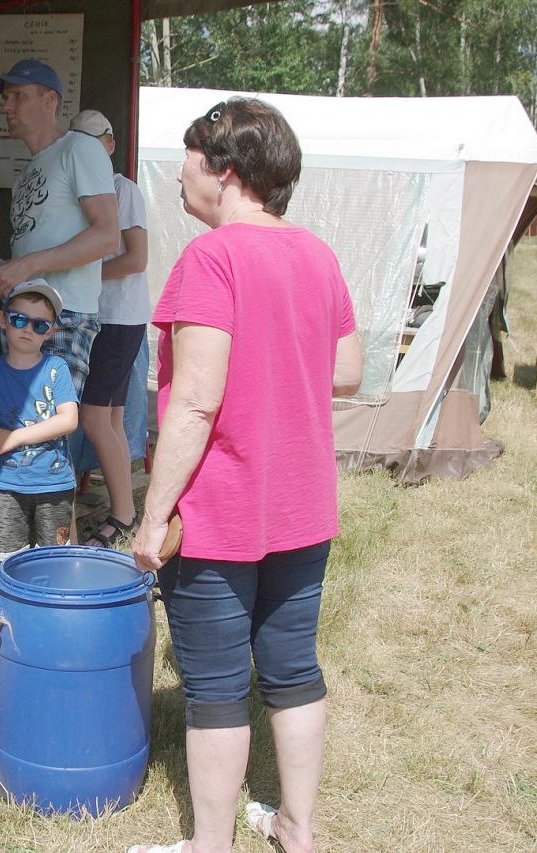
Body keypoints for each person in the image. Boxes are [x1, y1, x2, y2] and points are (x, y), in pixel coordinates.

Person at [127, 98, 362, 853]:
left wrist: (152, 516)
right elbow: (349, 370)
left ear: (225, 171)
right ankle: (297, 828)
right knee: (293, 670)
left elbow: (194, 403)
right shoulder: (318, 254)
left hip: (220, 513)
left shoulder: (211, 258)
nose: (180, 176)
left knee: (218, 688)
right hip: (303, 505)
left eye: (189, 160)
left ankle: (210, 845)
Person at [0, 59, 119, 398]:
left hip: (62, 315)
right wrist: (1, 278)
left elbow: (107, 236)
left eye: (19, 96)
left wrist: (25, 267)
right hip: (21, 312)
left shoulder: (80, 147)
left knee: (46, 423)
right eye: (5, 98)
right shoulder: (26, 173)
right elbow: (37, 248)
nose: (7, 107)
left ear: (50, 100)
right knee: (18, 421)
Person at [67, 109, 151, 549]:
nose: (87, 153)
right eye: (77, 144)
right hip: (100, 316)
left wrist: (80, 274)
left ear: (111, 145)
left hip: (118, 318)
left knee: (94, 417)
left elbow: (137, 258)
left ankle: (124, 513)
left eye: (94, 143)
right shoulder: (78, 193)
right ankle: (124, 512)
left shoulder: (123, 189)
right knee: (110, 417)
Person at [0, 280, 79, 563]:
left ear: (50, 331)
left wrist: (15, 437)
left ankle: (54, 594)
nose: (28, 329)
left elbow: (69, 420)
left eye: (40, 325)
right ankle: (10, 595)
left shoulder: (56, 368)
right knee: (7, 561)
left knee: (55, 560)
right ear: (3, 319)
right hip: (5, 485)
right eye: (19, 319)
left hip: (54, 485)